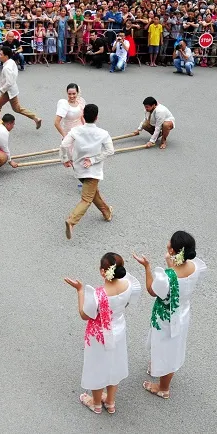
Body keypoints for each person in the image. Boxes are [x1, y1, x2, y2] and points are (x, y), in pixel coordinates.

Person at [133, 230, 208, 400]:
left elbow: (153, 291)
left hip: (166, 319)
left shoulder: (167, 276)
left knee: (166, 351)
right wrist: (171, 263)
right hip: (182, 313)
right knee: (172, 347)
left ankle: (163, 388)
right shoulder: (195, 267)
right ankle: (159, 370)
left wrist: (147, 267)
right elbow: (178, 283)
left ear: (174, 250)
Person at [63, 252, 141, 415]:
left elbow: (85, 315)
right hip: (118, 330)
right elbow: (127, 303)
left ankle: (96, 403)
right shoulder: (128, 284)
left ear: (102, 271)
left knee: (97, 367)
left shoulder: (98, 294)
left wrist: (80, 291)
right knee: (113, 365)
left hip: (99, 336)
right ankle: (110, 402)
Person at [60, 104, 115, 240]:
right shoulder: (103, 133)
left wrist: (65, 159)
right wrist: (94, 159)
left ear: (83, 116)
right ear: (96, 117)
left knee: (92, 193)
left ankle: (107, 213)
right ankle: (71, 221)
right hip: (93, 170)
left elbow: (63, 145)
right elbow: (110, 151)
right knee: (86, 199)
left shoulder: (75, 130)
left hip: (78, 169)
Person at [0, 46, 43, 128]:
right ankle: (35, 118)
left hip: (8, 91)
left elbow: (9, 82)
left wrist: (2, 89)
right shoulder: (11, 62)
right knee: (17, 108)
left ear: (6, 56)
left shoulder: (7, 68)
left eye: (1, 54)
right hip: (13, 90)